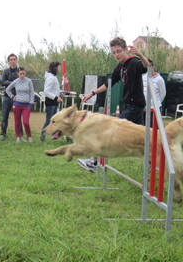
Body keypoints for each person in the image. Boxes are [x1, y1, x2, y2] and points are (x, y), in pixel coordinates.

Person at [78, 37, 150, 172]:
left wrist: (140, 54)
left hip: (135, 106)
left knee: (109, 130)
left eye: (118, 51)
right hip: (130, 106)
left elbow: (146, 67)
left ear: (125, 50)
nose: (116, 55)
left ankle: (93, 162)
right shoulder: (120, 67)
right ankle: (154, 162)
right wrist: (92, 93)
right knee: (143, 138)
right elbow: (108, 84)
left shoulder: (134, 62)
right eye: (113, 53)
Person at [0, 53, 21, 141]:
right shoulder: (6, 71)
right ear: (9, 61)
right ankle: (3, 134)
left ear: (17, 60)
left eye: (14, 59)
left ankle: (19, 135)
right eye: (11, 60)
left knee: (17, 117)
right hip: (6, 97)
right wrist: (14, 82)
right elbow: (2, 82)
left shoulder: (20, 71)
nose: (13, 61)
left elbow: (22, 81)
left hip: (17, 97)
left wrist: (9, 81)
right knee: (4, 116)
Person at [6, 67, 34, 142]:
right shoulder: (15, 81)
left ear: (25, 73)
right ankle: (18, 136)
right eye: (20, 74)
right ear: (18, 74)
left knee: (25, 122)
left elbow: (32, 92)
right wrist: (12, 96)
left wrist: (31, 103)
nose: (22, 75)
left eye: (23, 74)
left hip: (26, 105)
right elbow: (8, 89)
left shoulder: (29, 81)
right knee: (17, 122)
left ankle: (29, 136)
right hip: (17, 104)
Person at [40, 61, 64, 141]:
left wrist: (59, 94)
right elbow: (46, 91)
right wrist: (56, 98)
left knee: (54, 120)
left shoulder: (54, 77)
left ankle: (54, 135)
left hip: (54, 102)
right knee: (49, 120)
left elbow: (54, 89)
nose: (60, 68)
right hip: (50, 102)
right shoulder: (50, 78)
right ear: (55, 67)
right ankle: (42, 135)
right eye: (59, 67)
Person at [142, 59, 166, 127]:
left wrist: (155, 103)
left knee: (153, 129)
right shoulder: (142, 78)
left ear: (153, 66)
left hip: (154, 109)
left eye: (149, 66)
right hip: (143, 108)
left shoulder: (159, 79)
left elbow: (162, 94)